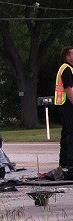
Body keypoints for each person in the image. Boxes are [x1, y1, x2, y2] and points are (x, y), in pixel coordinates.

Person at [54, 46, 73, 176]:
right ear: (67, 56)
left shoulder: (66, 68)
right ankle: (71, 163)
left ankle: (64, 162)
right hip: (67, 105)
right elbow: (68, 89)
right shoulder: (67, 69)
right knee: (71, 133)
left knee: (66, 132)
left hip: (63, 104)